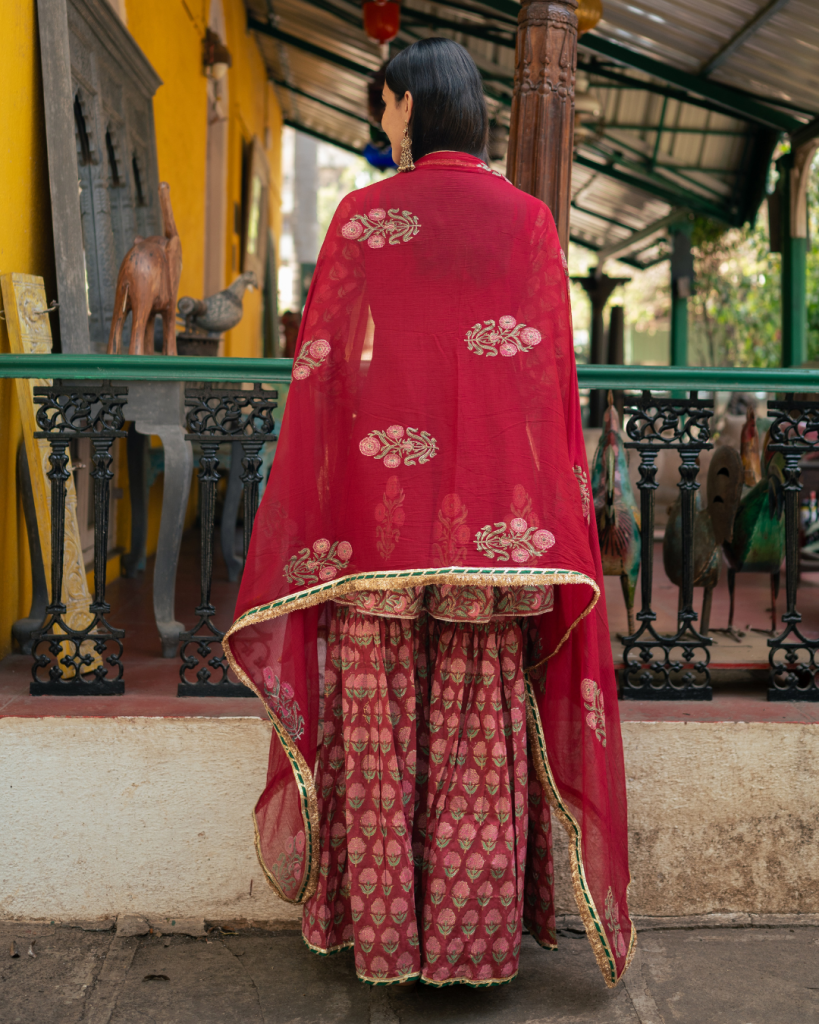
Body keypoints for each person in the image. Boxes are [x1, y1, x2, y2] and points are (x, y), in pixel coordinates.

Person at [224, 37, 634, 990]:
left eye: (382, 107)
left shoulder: (364, 220)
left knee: (375, 729)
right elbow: (541, 387)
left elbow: (323, 377)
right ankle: (470, 946)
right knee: (474, 730)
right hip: (495, 530)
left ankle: (385, 941)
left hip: (379, 521)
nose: (380, 122)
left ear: (407, 105)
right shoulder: (530, 223)